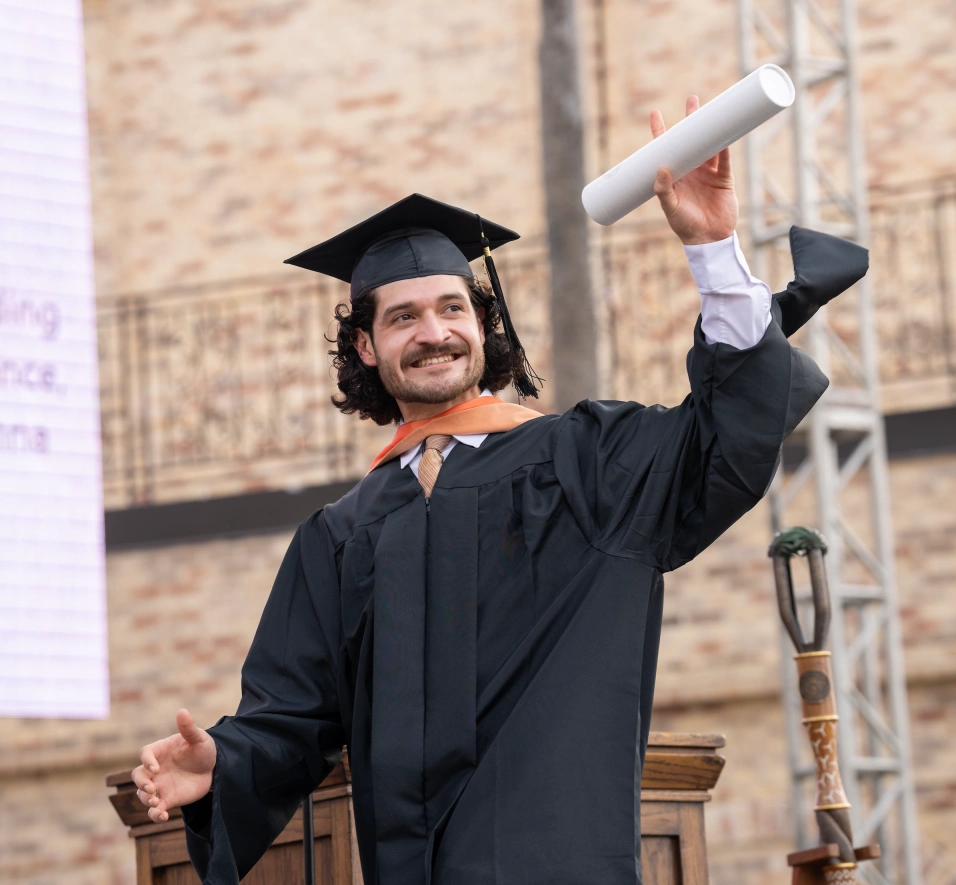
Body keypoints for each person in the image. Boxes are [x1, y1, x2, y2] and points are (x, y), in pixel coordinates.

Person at [132, 98, 867, 885]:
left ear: (485, 325)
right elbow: (294, 713)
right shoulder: (341, 535)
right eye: (404, 316)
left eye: (453, 307)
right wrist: (223, 759)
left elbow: (724, 440)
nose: (435, 331)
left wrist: (713, 248)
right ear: (366, 345)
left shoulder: (585, 462)